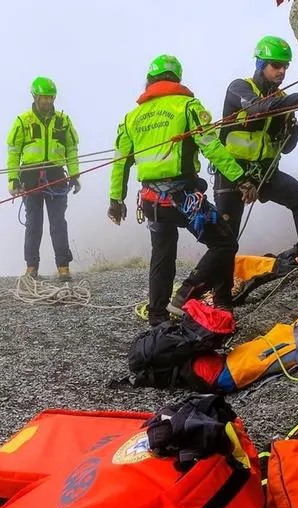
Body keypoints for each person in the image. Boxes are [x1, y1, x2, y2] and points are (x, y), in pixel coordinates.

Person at [108, 54, 258, 326]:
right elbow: (212, 147)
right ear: (176, 79)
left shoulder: (131, 118)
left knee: (162, 256)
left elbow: (120, 164)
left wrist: (115, 200)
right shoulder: (188, 107)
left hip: (152, 202)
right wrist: (240, 178)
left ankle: (158, 318)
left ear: (150, 81)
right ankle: (185, 295)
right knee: (225, 243)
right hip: (184, 200)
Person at [215, 35, 298, 288]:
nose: (282, 71)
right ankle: (215, 288)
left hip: (264, 172)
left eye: (285, 65)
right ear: (261, 64)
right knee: (227, 238)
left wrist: (293, 131)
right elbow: (256, 109)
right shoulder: (239, 88)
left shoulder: (283, 99)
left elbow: (286, 149)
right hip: (233, 172)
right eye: (276, 65)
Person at [6, 76, 80, 282]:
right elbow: (13, 152)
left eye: (50, 97)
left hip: (56, 175)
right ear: (35, 96)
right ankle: (31, 266)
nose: (47, 101)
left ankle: (63, 266)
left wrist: (75, 174)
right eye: (43, 97)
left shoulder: (62, 121)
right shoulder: (23, 121)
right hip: (30, 177)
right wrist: (13, 179)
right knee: (33, 224)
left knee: (58, 223)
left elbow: (72, 149)